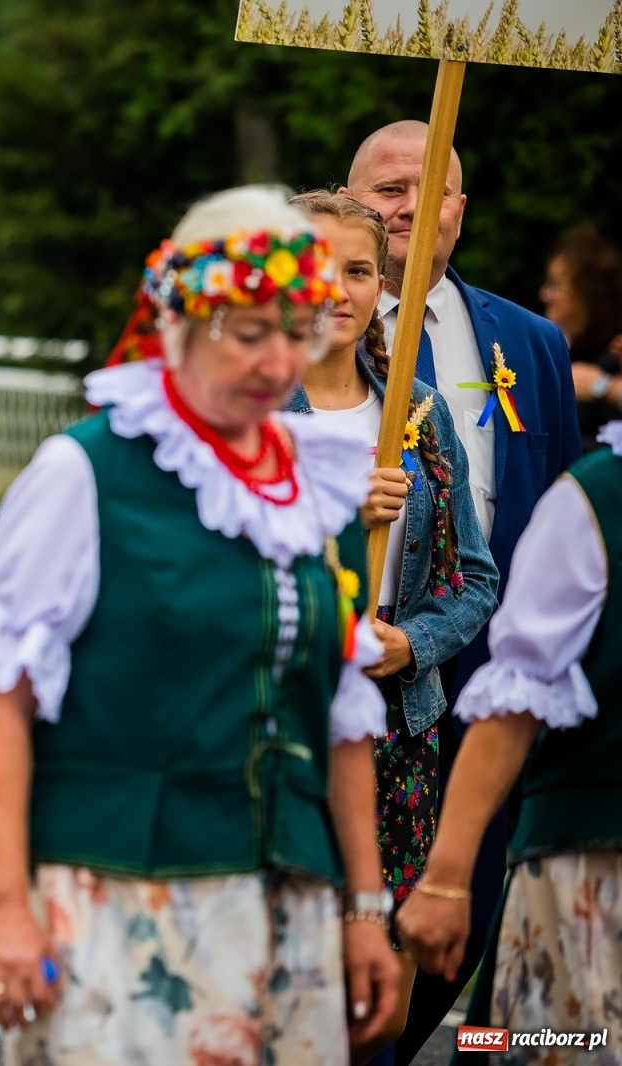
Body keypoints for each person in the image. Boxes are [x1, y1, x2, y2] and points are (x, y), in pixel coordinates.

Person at [0, 187, 400, 1065]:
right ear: (183, 322)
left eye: (297, 330)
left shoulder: (317, 486)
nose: (278, 359)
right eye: (250, 331)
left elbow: (341, 719)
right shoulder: (91, 471)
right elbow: (0, 698)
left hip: (292, 902)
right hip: (124, 898)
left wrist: (363, 908)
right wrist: (4, 909)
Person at [343, 120, 583, 1063]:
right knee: (354, 908)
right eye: (387, 189)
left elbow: (566, 510)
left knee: (465, 908)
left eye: (430, 189)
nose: (410, 207)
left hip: (494, 675)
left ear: (461, 210)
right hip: (358, 675)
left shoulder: (531, 342)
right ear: (350, 204)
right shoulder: (302, 343)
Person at [286, 190, 499, 1060]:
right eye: (316, 268)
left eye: (359, 271)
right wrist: (338, 514)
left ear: (383, 286)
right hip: (286, 729)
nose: (337, 290)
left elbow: (475, 579)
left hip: (399, 734)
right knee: (287, 975)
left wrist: (413, 643)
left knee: (379, 997)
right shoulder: (244, 417)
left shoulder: (416, 413)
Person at [397, 420, 622, 1063]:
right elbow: (513, 703)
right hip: (593, 871)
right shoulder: (595, 498)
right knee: (553, 1042)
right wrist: (446, 881)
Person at [541, 224, 622, 451]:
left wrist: (602, 387)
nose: (545, 294)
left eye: (555, 285)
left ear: (588, 292)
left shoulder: (612, 360)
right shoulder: (568, 353)